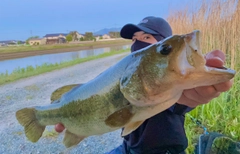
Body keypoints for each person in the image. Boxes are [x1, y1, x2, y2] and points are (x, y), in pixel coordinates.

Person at [55, 16, 233, 154]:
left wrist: (193, 93)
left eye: (147, 37)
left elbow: (183, 101)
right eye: (134, 39)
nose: (138, 43)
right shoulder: (129, 73)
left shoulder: (173, 88)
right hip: (127, 149)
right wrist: (80, 123)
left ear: (164, 40)